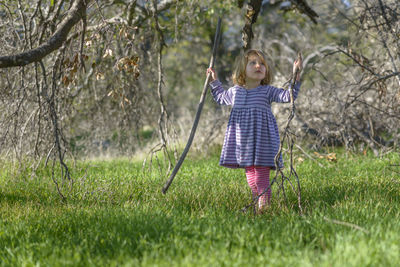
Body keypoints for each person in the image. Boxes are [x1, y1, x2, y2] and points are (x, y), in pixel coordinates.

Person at [207, 49, 302, 213]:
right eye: (253, 63)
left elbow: (289, 96)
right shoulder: (235, 91)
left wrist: (296, 76)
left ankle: (264, 207)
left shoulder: (267, 91)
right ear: (242, 69)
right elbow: (221, 98)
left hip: (262, 140)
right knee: (251, 175)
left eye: (262, 64)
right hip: (243, 143)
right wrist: (214, 81)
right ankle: (257, 203)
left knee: (261, 175)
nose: (259, 66)